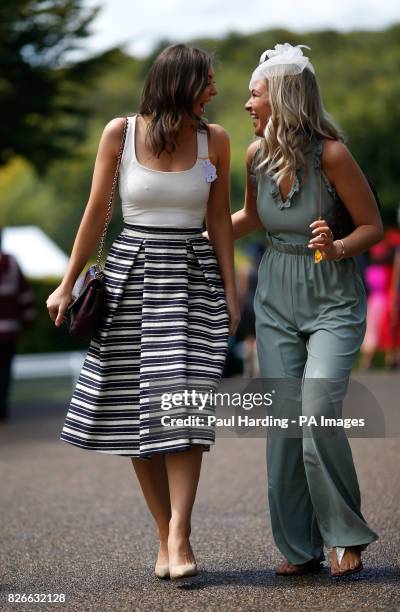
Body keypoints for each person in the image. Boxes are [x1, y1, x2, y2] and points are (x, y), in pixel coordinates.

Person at [46, 44, 239, 581]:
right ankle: (163, 534)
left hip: (192, 277)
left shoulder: (215, 140)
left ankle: (182, 531)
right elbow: (94, 215)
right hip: (132, 274)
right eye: (207, 80)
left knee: (185, 403)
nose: (215, 91)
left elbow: (220, 219)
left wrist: (231, 289)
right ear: (179, 83)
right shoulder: (120, 132)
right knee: (139, 411)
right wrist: (66, 284)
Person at [231, 43, 382, 578]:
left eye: (255, 93)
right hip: (274, 299)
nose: (247, 103)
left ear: (285, 96)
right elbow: (250, 218)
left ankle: (346, 535)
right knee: (285, 426)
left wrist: (338, 245)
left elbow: (372, 227)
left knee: (316, 412)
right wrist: (188, 234)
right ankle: (299, 546)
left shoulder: (333, 155)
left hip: (331, 300)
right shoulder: (253, 158)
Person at [0, 228, 36, 421]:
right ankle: (2, 410)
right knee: (4, 372)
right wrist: (28, 321)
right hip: (9, 332)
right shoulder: (12, 263)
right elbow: (25, 294)